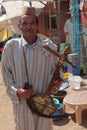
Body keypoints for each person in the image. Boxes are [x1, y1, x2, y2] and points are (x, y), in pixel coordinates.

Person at [1, 6, 58, 130]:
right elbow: (6, 74)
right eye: (25, 23)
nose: (28, 27)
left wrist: (54, 84)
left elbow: (57, 71)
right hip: (22, 105)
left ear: (37, 25)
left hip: (43, 103)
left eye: (32, 23)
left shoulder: (49, 48)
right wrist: (17, 91)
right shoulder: (11, 48)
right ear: (19, 26)